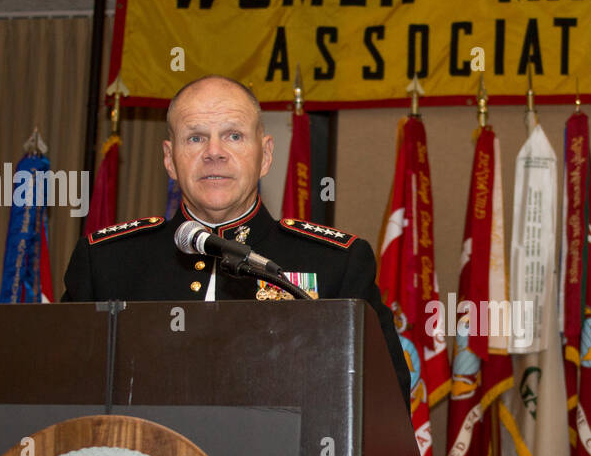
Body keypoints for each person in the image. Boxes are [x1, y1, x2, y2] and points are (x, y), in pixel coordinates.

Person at [61, 74, 411, 405]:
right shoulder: (108, 263)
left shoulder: (336, 264)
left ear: (266, 155)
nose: (214, 152)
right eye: (195, 138)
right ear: (169, 159)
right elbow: (60, 393)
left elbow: (383, 400)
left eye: (233, 136)